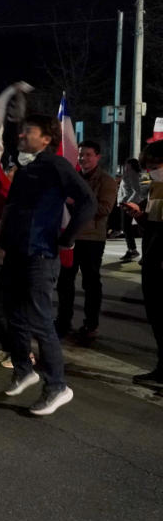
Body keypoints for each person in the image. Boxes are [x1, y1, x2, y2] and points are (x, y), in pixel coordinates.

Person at [0, 114, 94, 416]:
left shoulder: (55, 165)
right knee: (6, 308)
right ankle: (24, 369)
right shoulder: (27, 168)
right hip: (16, 253)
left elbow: (88, 201)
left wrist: (66, 239)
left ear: (47, 138)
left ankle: (57, 387)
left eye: (29, 132)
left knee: (40, 321)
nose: (22, 136)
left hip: (40, 254)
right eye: (22, 131)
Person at [55, 140, 117, 342]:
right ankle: (63, 321)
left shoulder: (106, 180)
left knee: (90, 282)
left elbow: (104, 209)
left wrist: (75, 203)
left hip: (92, 239)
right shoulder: (73, 178)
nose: (83, 158)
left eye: (88, 155)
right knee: (65, 282)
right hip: (69, 236)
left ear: (98, 157)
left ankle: (91, 324)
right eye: (81, 155)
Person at [125, 141, 163, 386]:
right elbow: (155, 226)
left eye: (156, 165)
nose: (151, 170)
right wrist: (140, 216)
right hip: (152, 260)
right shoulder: (156, 188)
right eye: (148, 166)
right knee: (156, 318)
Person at [118, 158, 144, 261]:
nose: (125, 166)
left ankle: (132, 250)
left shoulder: (132, 173)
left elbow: (137, 190)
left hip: (129, 205)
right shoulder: (130, 173)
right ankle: (132, 250)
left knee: (127, 228)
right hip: (129, 204)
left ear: (131, 165)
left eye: (127, 164)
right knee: (130, 228)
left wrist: (128, 203)